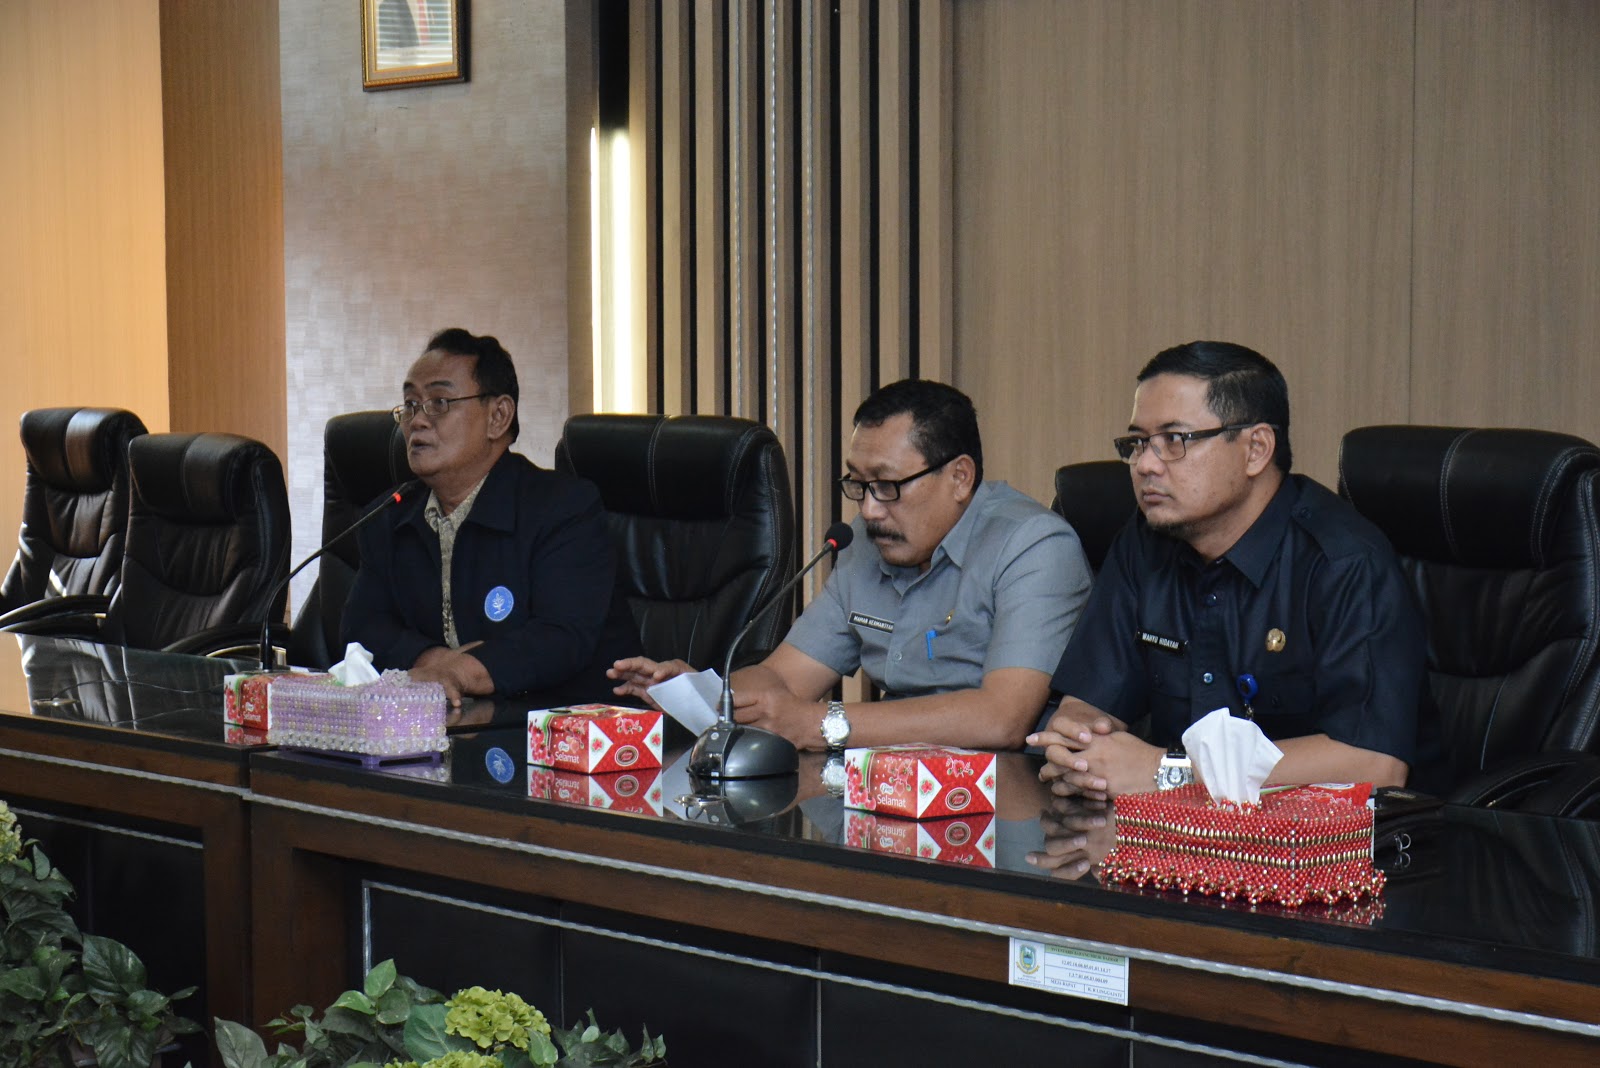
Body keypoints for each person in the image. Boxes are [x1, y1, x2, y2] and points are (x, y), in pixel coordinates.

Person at [1031, 341, 1425, 798]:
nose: (1145, 465)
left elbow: (1375, 763)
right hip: (1178, 830)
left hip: (1340, 836)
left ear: (1256, 448)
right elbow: (1088, 702)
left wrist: (1168, 771)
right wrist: (1078, 742)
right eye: (1138, 443)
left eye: (1174, 440)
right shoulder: (1146, 541)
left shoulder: (1345, 562)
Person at [610, 379, 1092, 751]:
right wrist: (704, 695)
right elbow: (785, 678)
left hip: (1002, 797)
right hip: (888, 783)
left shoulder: (1033, 546)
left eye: (887, 485)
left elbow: (1002, 718)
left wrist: (821, 724)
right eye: (858, 484)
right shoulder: (866, 542)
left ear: (960, 477)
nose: (869, 509)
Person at [343, 328, 641, 707]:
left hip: (566, 728)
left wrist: (460, 673)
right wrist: (435, 662)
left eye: (439, 402)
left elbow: (558, 637)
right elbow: (362, 627)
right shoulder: (389, 515)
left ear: (498, 416)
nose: (417, 421)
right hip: (455, 726)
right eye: (411, 404)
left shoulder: (563, 508)